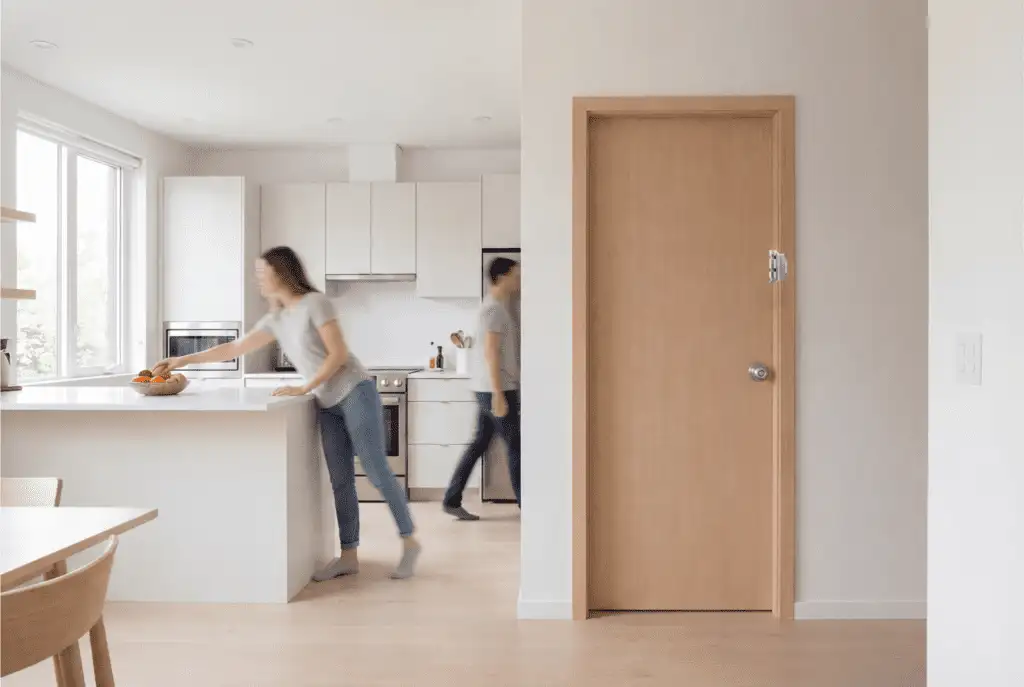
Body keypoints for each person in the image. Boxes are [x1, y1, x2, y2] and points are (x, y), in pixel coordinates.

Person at [152, 246, 421, 580]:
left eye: (262, 272)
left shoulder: (315, 304)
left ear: (280, 272)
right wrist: (183, 360)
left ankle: (410, 544)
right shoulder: (277, 320)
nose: (258, 279)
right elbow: (234, 348)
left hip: (354, 391)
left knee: (377, 471)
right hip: (327, 401)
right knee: (340, 481)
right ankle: (349, 554)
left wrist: (304, 387)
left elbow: (338, 354)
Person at [442, 257, 521, 520]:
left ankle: (451, 499)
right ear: (502, 277)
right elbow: (491, 353)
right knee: (515, 445)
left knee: (479, 443)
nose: (519, 280)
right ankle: (527, 505)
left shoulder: (494, 307)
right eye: (516, 275)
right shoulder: (494, 310)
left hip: (488, 386)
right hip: (495, 388)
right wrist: (499, 394)